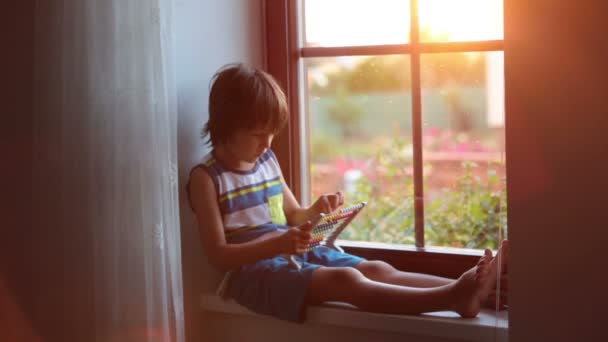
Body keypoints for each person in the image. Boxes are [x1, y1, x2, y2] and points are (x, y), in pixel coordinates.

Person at [187, 63, 508, 323]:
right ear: (227, 126)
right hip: (253, 274)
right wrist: (277, 243)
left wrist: (316, 211)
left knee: (376, 269)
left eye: (271, 134)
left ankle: (469, 291)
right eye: (258, 135)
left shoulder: (266, 162)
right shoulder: (207, 179)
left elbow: (293, 215)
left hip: (287, 253)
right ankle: (454, 296)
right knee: (346, 282)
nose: (267, 144)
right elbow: (218, 255)